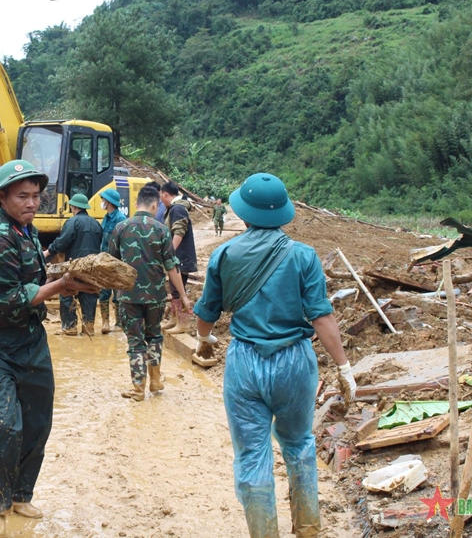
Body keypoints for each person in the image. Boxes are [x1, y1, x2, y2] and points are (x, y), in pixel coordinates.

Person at [193, 172, 357, 538]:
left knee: (252, 454)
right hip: (295, 363)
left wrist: (204, 340)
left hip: (246, 363)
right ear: (281, 213)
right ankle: (309, 527)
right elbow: (321, 316)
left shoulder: (224, 255)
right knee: (299, 444)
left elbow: (207, 313)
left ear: (243, 212)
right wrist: (344, 367)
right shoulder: (303, 256)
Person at [0, 160, 96, 537]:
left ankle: (21, 494)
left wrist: (72, 282)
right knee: (2, 425)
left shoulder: (26, 230)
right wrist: (63, 286)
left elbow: (37, 281)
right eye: (22, 196)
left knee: (38, 423)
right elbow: (10, 299)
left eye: (36, 195)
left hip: (30, 340)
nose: (32, 202)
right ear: (2, 197)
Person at [108, 185, 190, 401]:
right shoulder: (161, 229)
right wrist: (182, 295)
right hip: (155, 296)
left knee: (135, 341)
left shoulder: (120, 228)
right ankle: (155, 380)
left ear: (136, 204)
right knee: (154, 336)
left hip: (128, 296)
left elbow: (112, 263)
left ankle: (138, 388)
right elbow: (172, 266)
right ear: (155, 205)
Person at [43, 193, 102, 336]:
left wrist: (49, 251)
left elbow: (63, 242)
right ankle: (88, 327)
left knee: (67, 292)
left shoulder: (72, 222)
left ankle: (69, 327)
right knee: (89, 293)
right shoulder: (96, 224)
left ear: (74, 207)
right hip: (92, 266)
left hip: (74, 265)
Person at [160, 181, 197, 334]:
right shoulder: (174, 209)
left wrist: (170, 252)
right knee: (174, 289)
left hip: (180, 256)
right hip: (178, 256)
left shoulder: (178, 209)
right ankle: (174, 319)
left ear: (165, 194)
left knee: (178, 288)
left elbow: (179, 232)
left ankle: (183, 323)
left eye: (160, 195)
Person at [97, 188, 126, 333]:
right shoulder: (106, 218)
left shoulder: (120, 219)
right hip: (104, 261)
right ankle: (105, 322)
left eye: (103, 200)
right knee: (103, 292)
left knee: (117, 293)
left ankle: (119, 323)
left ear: (108, 202)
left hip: (116, 262)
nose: (102, 202)